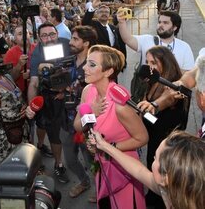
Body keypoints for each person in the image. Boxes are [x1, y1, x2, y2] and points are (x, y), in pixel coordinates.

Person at [74, 45, 148, 209]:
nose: (84, 68)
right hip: (102, 165)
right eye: (86, 62)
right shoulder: (87, 91)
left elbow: (142, 138)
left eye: (92, 64)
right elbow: (78, 126)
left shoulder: (120, 104)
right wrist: (91, 113)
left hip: (124, 168)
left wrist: (108, 147)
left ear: (108, 72)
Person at [90, 130, 205, 209]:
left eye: (155, 158)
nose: (153, 159)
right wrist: (104, 145)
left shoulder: (168, 189)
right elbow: (139, 171)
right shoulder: (173, 187)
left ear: (166, 177)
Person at [136, 46, 189, 208]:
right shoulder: (150, 82)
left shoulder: (173, 89)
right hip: (152, 142)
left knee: (163, 185)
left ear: (165, 64)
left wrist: (151, 110)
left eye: (153, 62)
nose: (148, 66)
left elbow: (164, 123)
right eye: (146, 62)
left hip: (166, 147)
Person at [26, 22, 70, 183]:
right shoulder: (37, 53)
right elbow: (34, 83)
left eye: (52, 34)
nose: (49, 38)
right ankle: (52, 157)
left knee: (61, 132)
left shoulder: (67, 44)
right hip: (48, 96)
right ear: (39, 38)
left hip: (69, 92)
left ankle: (58, 162)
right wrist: (31, 107)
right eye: (44, 36)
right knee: (44, 126)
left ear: (57, 34)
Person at [60, 26, 97, 198]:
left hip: (86, 122)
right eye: (71, 38)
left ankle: (100, 188)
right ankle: (84, 181)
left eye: (75, 39)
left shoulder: (95, 65)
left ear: (86, 43)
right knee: (70, 159)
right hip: (67, 121)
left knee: (91, 159)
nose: (70, 42)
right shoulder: (67, 61)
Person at [117, 10, 194, 72]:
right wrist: (121, 22)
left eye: (165, 23)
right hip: (148, 89)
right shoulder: (147, 40)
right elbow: (127, 39)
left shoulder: (184, 47)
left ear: (174, 27)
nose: (160, 25)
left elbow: (188, 74)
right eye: (159, 22)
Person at [82, 0, 127, 65]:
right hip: (98, 62)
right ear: (96, 14)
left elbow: (120, 45)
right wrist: (93, 7)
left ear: (109, 15)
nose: (104, 13)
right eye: (101, 12)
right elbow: (85, 22)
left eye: (106, 12)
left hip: (113, 62)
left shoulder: (113, 28)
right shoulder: (93, 25)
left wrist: (123, 61)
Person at [3, 25, 36, 95]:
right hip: (22, 93)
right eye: (20, 34)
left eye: (25, 33)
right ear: (14, 39)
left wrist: (33, 72)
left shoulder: (37, 48)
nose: (23, 36)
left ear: (29, 35)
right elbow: (10, 79)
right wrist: (19, 65)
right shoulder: (10, 53)